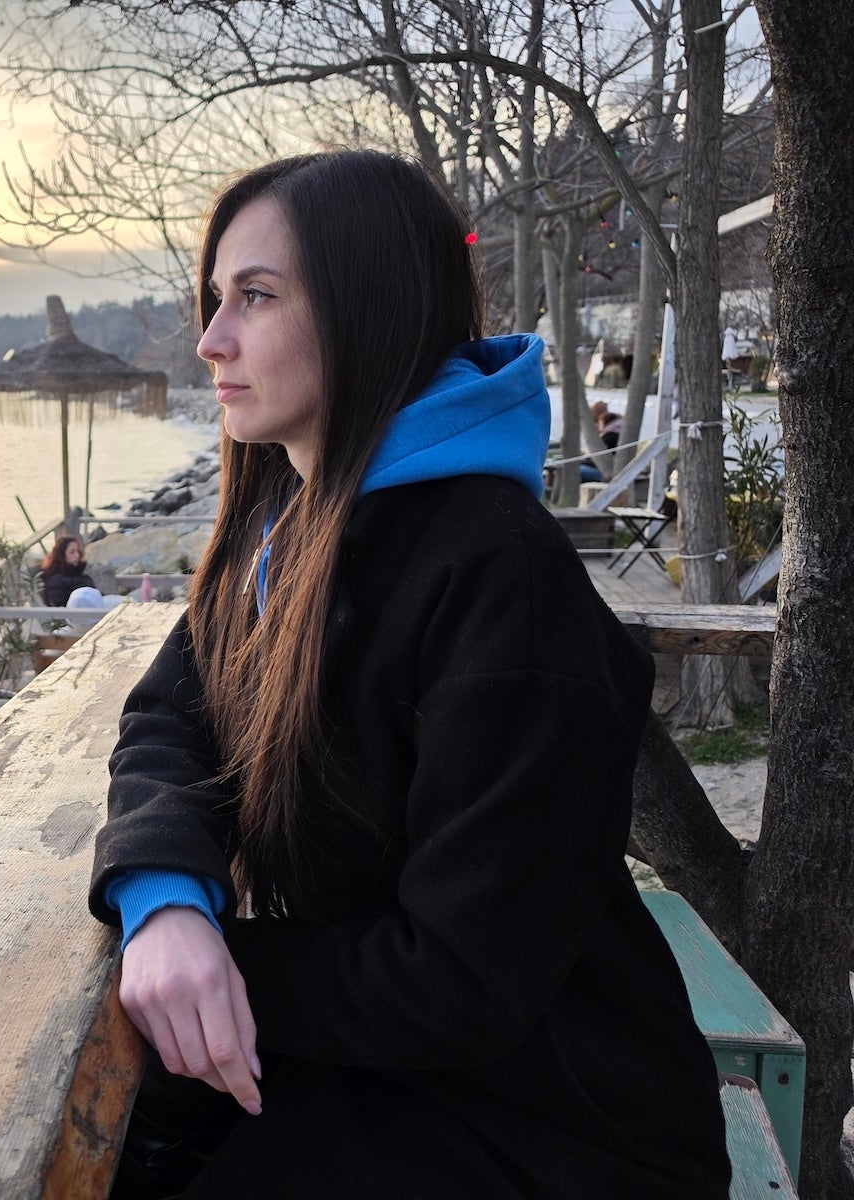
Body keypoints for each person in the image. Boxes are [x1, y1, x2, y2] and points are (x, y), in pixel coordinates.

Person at [88, 151, 729, 1198]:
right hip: (387, 1063)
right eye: (216, 298)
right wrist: (165, 903)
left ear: (367, 308)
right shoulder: (284, 528)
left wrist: (226, 966)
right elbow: (171, 714)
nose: (211, 340)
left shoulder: (501, 581)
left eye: (256, 296)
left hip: (557, 1129)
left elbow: (464, 979)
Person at [39, 534, 96, 607]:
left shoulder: (81, 575)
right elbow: (57, 607)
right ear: (61, 555)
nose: (77, 555)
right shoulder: (55, 581)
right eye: (72, 552)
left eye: (78, 551)